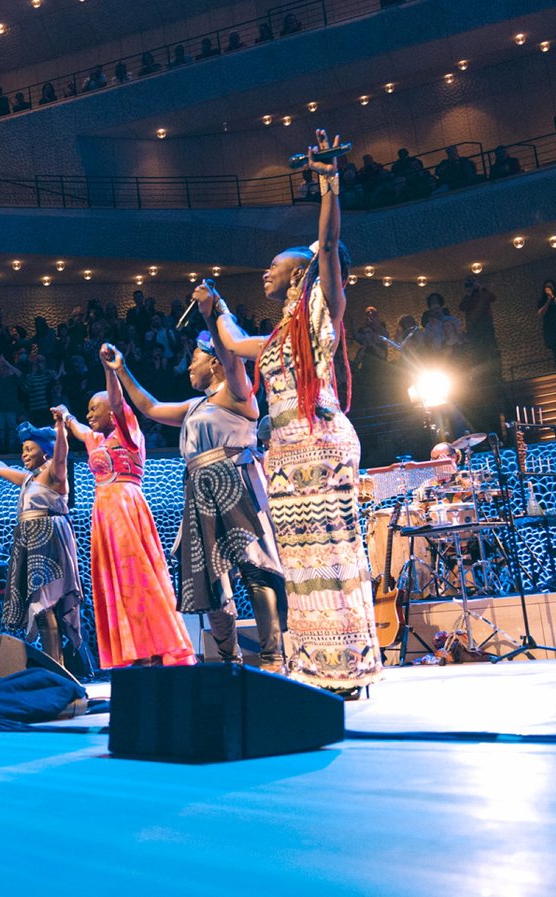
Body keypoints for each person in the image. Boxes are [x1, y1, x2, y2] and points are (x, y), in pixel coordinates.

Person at [210, 129, 381, 696]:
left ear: (299, 273)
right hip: (285, 453)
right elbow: (231, 343)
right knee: (302, 566)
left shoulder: (319, 315)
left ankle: (348, 664)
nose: (266, 272)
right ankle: (319, 663)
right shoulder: (281, 335)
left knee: (330, 554)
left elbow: (328, 248)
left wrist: (328, 184)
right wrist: (216, 308)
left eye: (274, 265)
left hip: (320, 441)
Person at [106, 285, 286, 669]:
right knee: (211, 580)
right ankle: (228, 659)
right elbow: (150, 407)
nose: (189, 367)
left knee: (254, 567)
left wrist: (211, 314)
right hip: (200, 490)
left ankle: (272, 657)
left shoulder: (238, 394)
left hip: (235, 483)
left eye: (194, 360)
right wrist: (121, 369)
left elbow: (231, 354)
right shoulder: (194, 405)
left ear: (214, 364)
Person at [55, 360, 193, 669]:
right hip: (103, 512)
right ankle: (134, 648)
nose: (90, 414)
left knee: (137, 578)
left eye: (94, 409)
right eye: (88, 410)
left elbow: (117, 401)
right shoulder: (96, 439)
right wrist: (66, 416)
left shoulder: (127, 431)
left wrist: (109, 369)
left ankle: (158, 645)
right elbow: (77, 428)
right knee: (115, 581)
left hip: (125, 507)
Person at [0, 420, 92, 677]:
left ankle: (58, 671)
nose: (23, 453)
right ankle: (54, 669)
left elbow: (62, 454)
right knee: (41, 605)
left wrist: (59, 427)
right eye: (22, 449)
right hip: (30, 541)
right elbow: (0, 468)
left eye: (29, 449)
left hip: (49, 540)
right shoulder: (29, 479)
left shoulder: (54, 474)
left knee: (46, 604)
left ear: (45, 452)